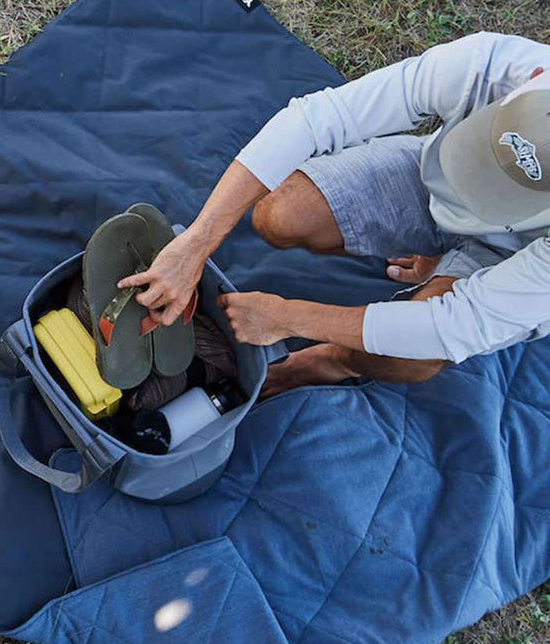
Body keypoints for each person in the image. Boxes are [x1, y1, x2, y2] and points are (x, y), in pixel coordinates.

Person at [118, 32, 550, 398]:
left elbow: (452, 328)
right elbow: (319, 118)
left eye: (500, 190)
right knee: (282, 214)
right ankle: (436, 259)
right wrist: (197, 241)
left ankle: (331, 363)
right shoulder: (488, 64)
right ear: (532, 81)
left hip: (514, 259)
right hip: (433, 179)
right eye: (485, 158)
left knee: (411, 353)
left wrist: (287, 317)